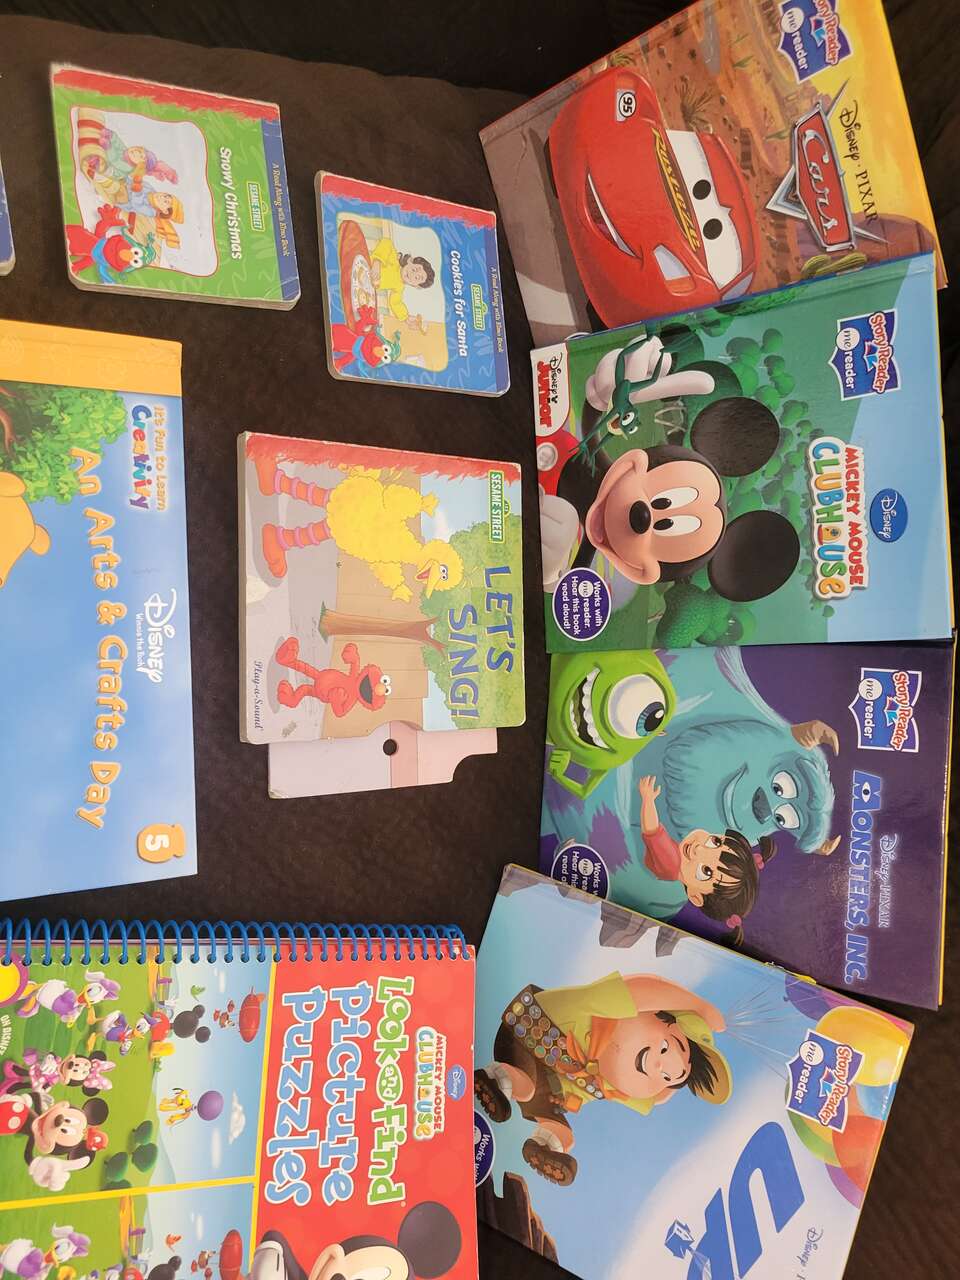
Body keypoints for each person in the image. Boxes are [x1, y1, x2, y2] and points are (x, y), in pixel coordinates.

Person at [474, 970, 731, 1186]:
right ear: (654, 1011)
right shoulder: (605, 1007)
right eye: (665, 1047)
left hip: (548, 1088)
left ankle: (543, 1146)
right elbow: (645, 989)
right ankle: (499, 1078)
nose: (658, 1065)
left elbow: (659, 1096)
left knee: (562, 1133)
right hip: (528, 1027)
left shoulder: (617, 1086)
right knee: (527, 1084)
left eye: (665, 1075)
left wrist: (677, 1077)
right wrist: (698, 1006)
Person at [636, 775, 776, 944]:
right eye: (715, 842)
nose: (699, 849)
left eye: (706, 871)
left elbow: (651, 829)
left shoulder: (671, 863)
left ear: (695, 896)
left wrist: (647, 798)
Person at [370, 239, 434, 326]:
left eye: (417, 278)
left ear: (417, 286)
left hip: (366, 283)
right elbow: (387, 242)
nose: (411, 274)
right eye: (414, 269)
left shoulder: (399, 287)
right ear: (410, 261)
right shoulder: (394, 259)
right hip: (364, 262)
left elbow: (396, 302)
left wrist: (405, 318)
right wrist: (377, 262)